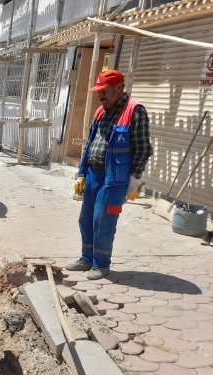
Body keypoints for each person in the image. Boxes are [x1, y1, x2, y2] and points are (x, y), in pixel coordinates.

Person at [66, 69, 153, 280]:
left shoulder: (135, 111)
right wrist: (82, 173)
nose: (101, 96)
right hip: (94, 176)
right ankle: (86, 259)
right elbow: (91, 144)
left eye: (105, 91)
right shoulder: (100, 111)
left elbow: (143, 148)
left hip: (114, 180)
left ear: (119, 89)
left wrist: (134, 179)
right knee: (85, 219)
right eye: (99, 92)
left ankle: (101, 264)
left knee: (103, 221)